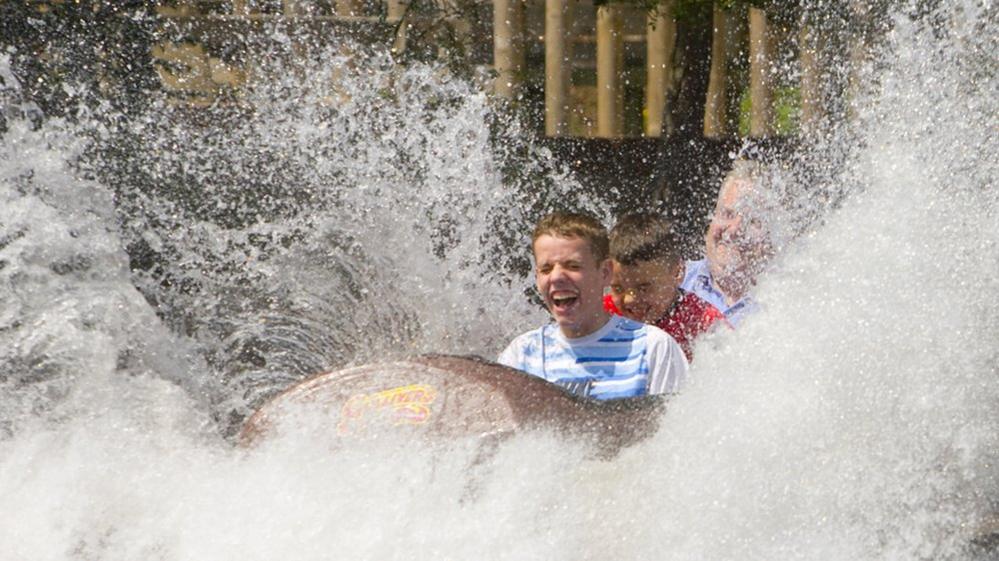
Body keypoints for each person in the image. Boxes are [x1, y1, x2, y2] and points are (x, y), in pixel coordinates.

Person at [497, 211, 688, 400]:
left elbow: (676, 427)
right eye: (546, 269)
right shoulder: (520, 355)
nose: (556, 277)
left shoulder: (654, 347)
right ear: (537, 279)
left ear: (605, 273)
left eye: (573, 266)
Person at [603, 213, 726, 361]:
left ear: (677, 273)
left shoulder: (701, 323)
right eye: (618, 289)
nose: (629, 299)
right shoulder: (602, 315)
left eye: (643, 288)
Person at [681, 159, 774, 327]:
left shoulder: (784, 303)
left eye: (752, 221)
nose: (733, 231)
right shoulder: (672, 284)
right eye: (727, 214)